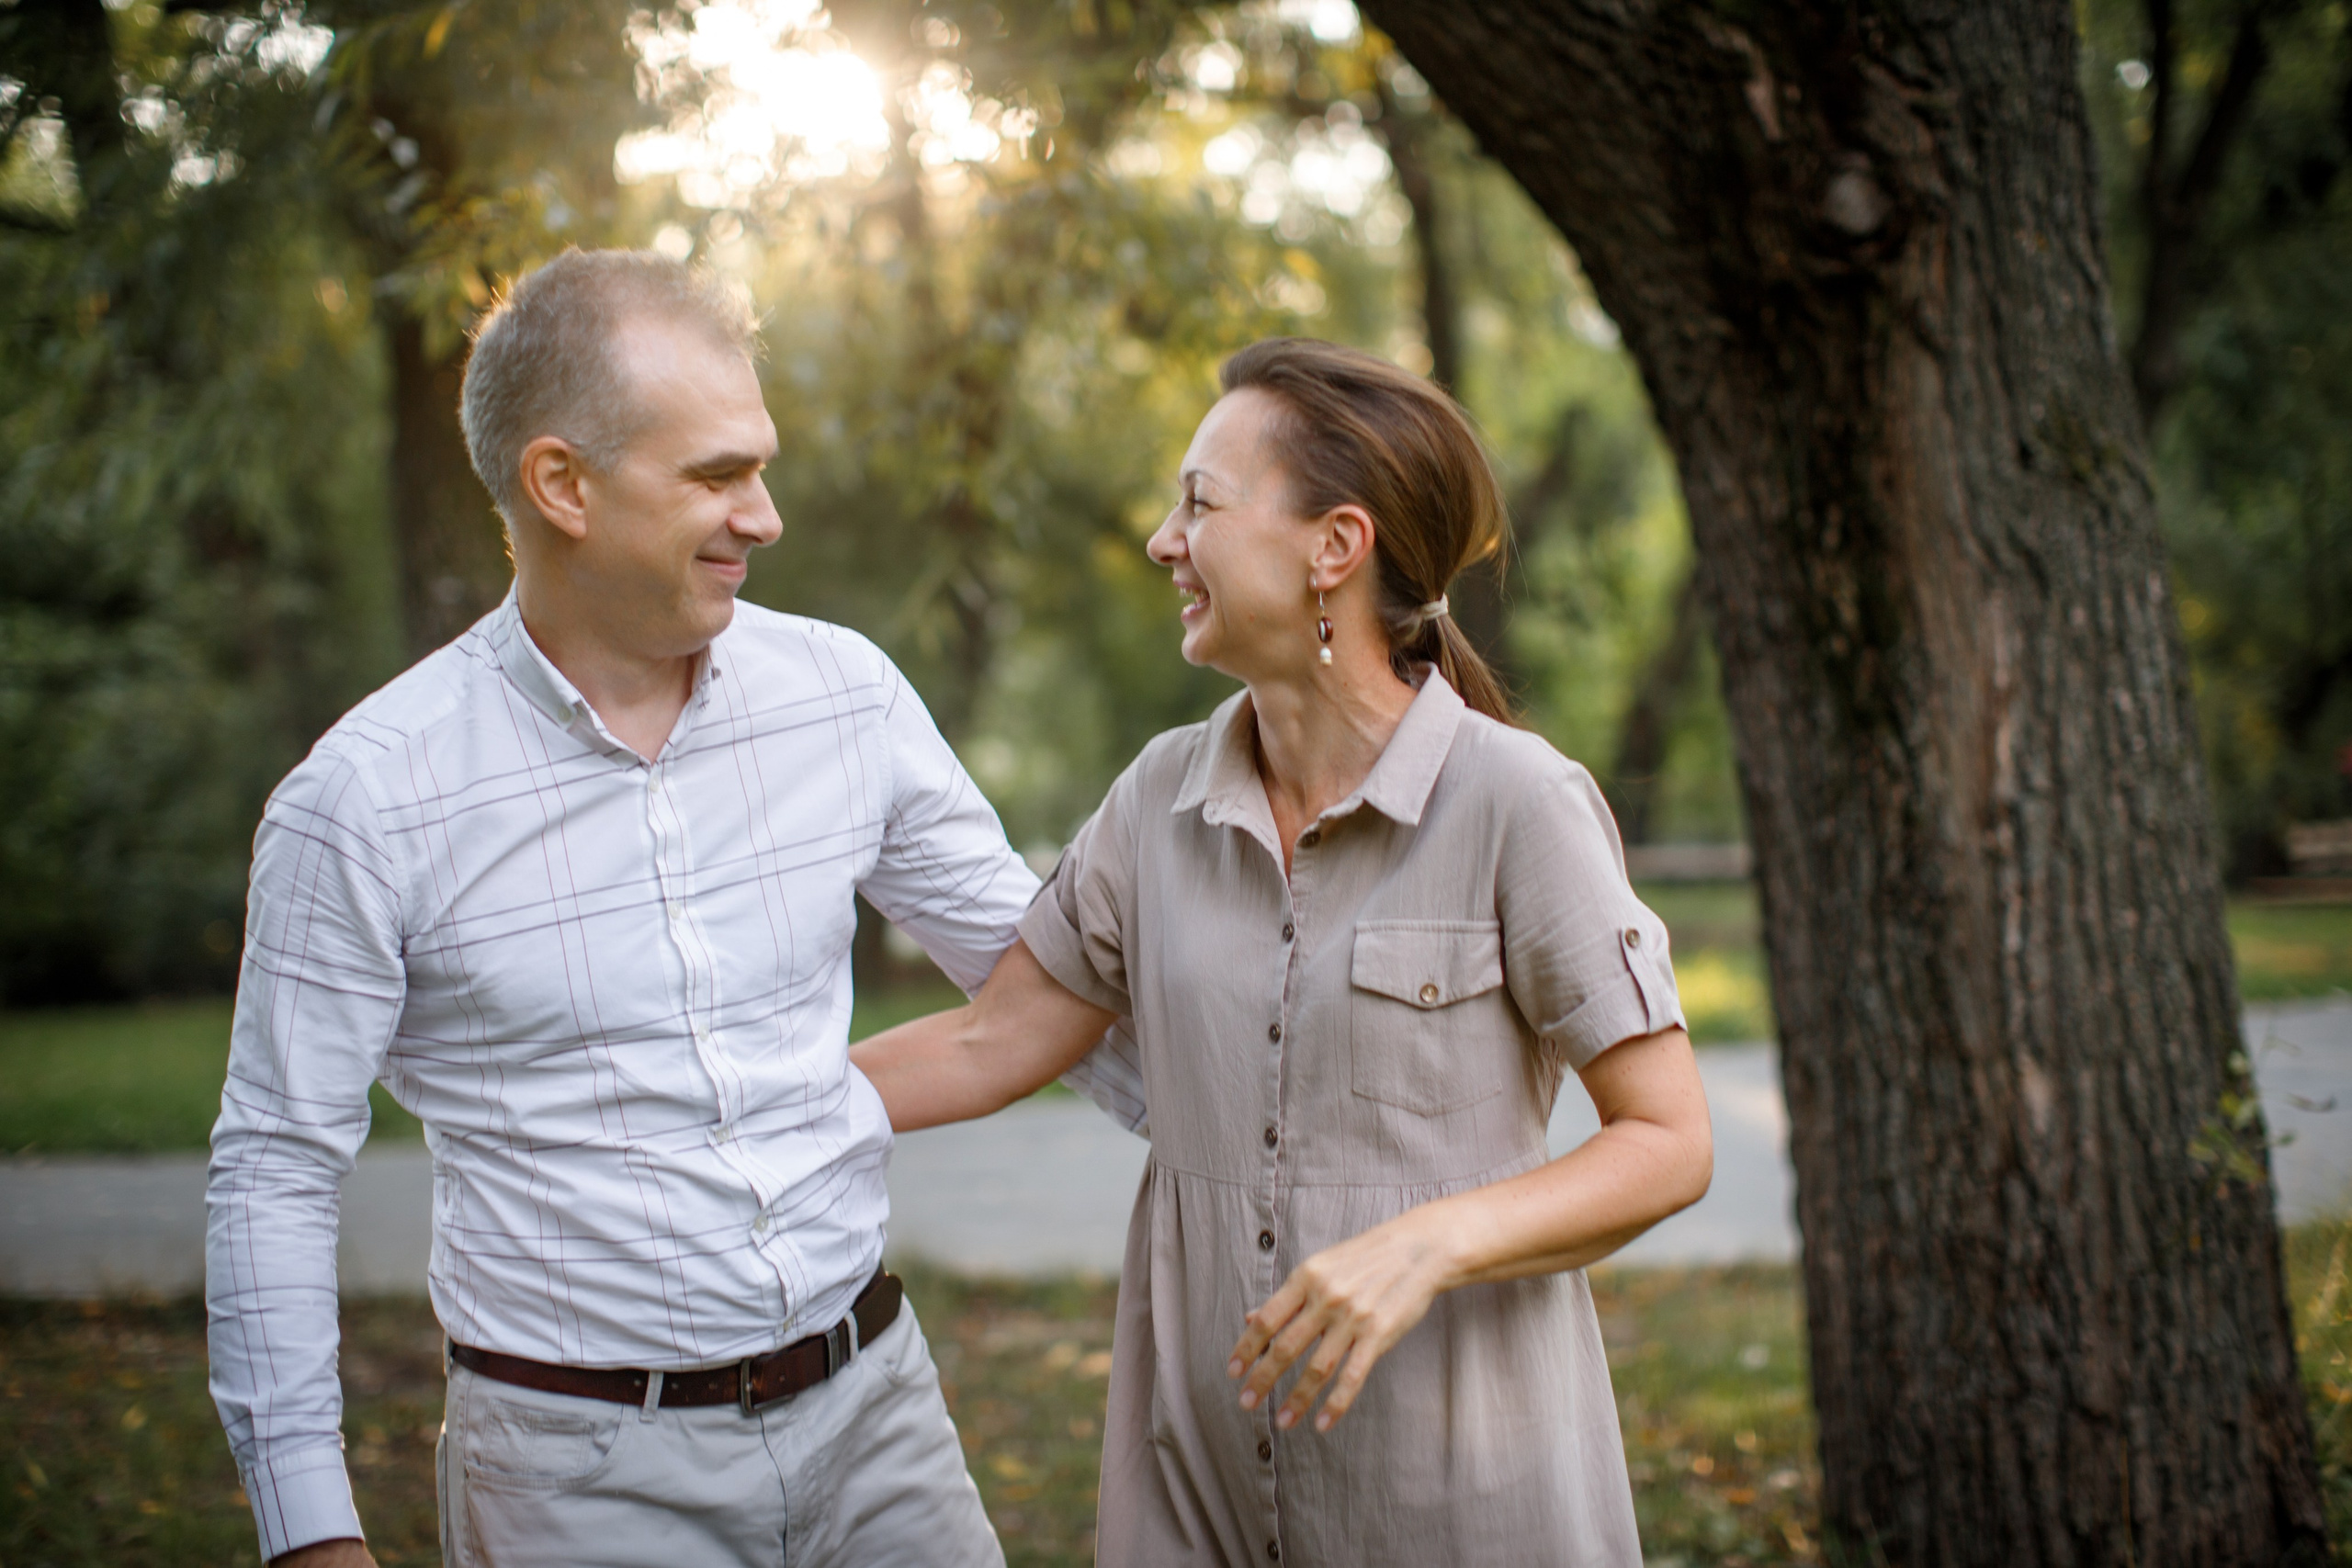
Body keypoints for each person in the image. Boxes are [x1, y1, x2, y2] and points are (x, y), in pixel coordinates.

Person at [205, 250, 1039, 1568]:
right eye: (715, 476)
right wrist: (308, 1531)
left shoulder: (844, 695)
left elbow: (1046, 971)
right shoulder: (366, 799)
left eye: (760, 466)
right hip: (576, 1478)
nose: (762, 515)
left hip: (881, 1420)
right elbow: (273, 1168)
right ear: (561, 486)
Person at [851, 337, 1714, 1566]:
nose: (1164, 540)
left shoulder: (1517, 802)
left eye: (1198, 503)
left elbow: (1669, 1142)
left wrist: (1428, 1240)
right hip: (1195, 1489)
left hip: (1462, 1500)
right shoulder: (1156, 799)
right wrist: (747, 1111)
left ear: (1334, 547)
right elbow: (996, 1038)